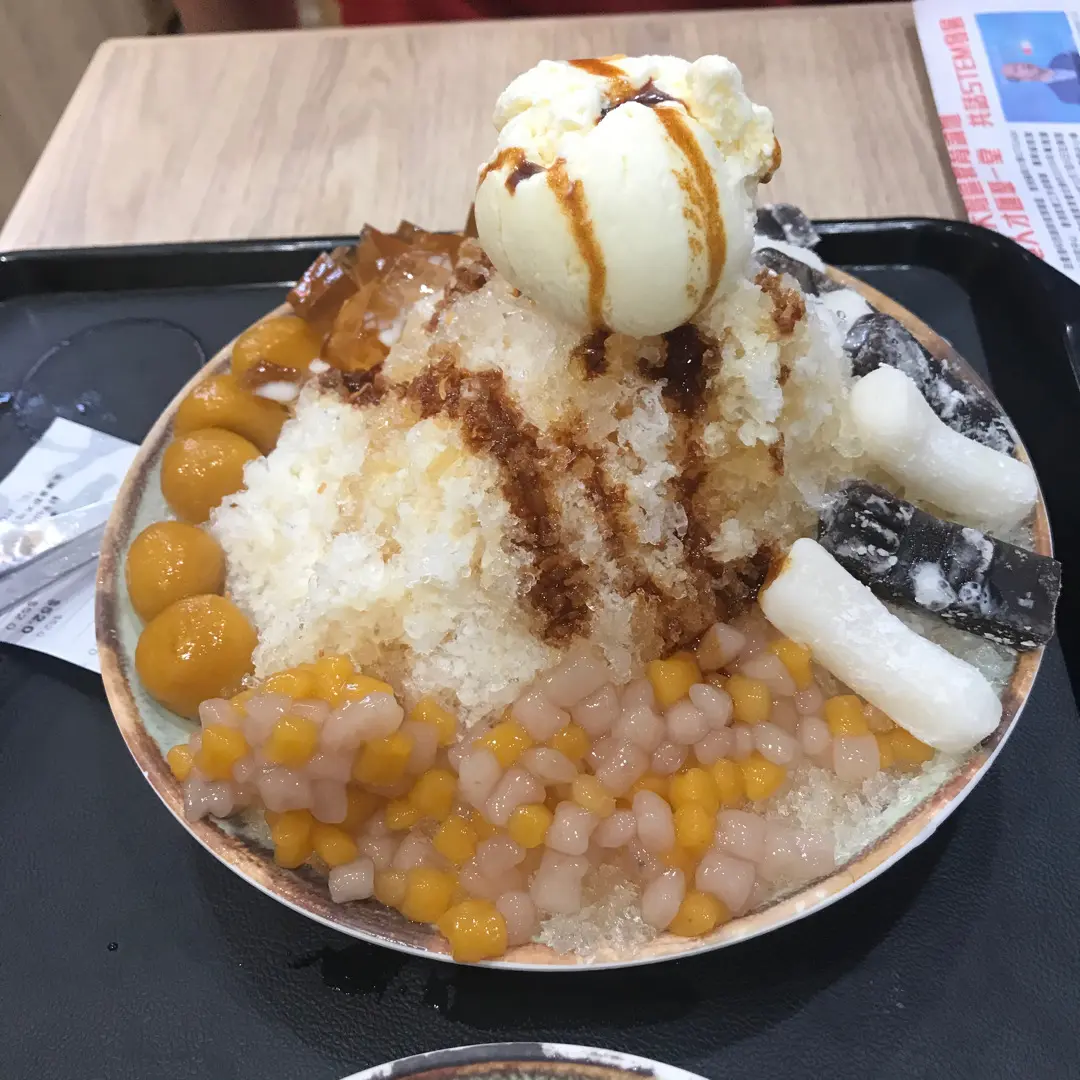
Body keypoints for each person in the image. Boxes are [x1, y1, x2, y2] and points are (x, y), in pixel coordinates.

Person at [1002, 53, 1080, 105]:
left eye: (1017, 64)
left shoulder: (1061, 58)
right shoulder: (1065, 96)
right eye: (1016, 70)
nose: (1022, 66)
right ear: (1023, 80)